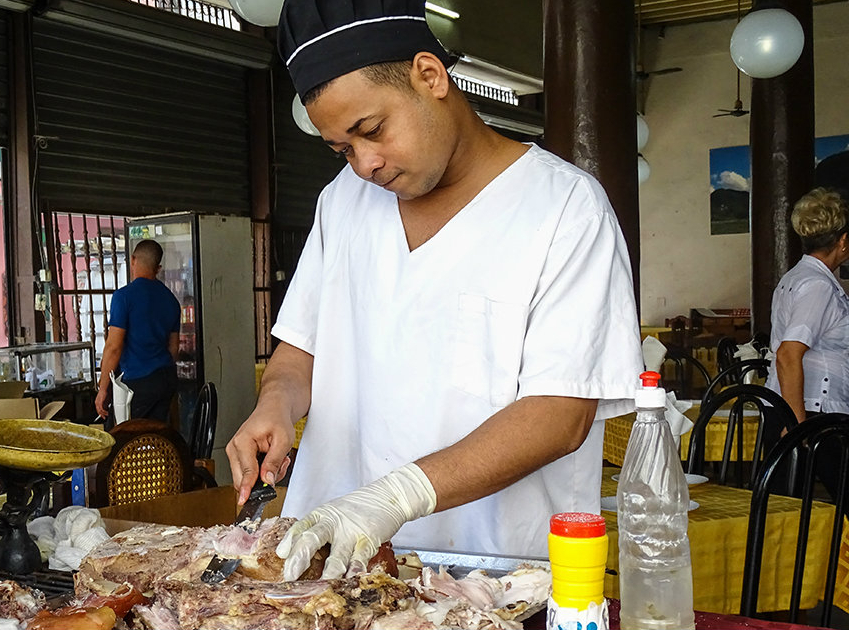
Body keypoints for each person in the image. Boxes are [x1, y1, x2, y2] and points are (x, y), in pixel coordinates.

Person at [225, 0, 641, 581]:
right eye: (342, 148)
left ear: (430, 75)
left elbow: (560, 413)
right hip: (334, 572)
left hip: (491, 575)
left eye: (372, 130)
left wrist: (394, 497)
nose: (365, 164)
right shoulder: (342, 202)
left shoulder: (563, 209)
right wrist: (276, 403)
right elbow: (301, 351)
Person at [767, 188, 849, 421]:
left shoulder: (797, 276)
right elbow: (788, 354)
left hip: (797, 404)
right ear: (842, 241)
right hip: (813, 409)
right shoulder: (818, 285)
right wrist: (797, 425)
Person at [94, 240, 181, 423]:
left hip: (138, 381)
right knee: (155, 437)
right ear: (158, 268)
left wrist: (103, 389)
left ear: (133, 260)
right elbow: (174, 348)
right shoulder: (171, 300)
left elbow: (114, 347)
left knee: (119, 438)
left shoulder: (124, 297)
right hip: (166, 378)